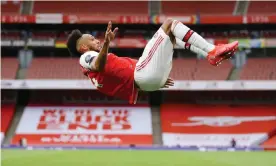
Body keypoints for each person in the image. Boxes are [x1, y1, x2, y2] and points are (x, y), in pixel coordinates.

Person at [66, 19, 238, 104]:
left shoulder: (94, 67)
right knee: (170, 24)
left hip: (146, 81)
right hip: (143, 75)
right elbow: (98, 65)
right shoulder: (85, 58)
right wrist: (107, 43)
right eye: (92, 40)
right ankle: (212, 50)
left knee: (170, 38)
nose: (97, 41)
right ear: (83, 48)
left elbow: (119, 81)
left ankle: (209, 53)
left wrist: (153, 81)